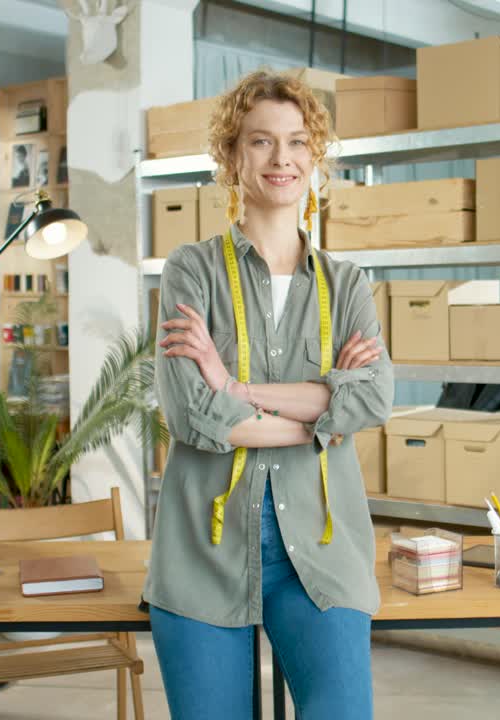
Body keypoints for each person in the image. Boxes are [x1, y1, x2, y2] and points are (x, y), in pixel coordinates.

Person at [144, 70, 394, 720]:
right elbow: (193, 416)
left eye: (296, 142)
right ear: (232, 155)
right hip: (202, 550)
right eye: (260, 142)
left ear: (314, 156)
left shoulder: (348, 285)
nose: (281, 159)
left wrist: (234, 387)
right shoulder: (190, 272)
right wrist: (321, 411)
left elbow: (372, 400)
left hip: (323, 550)